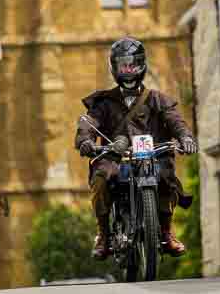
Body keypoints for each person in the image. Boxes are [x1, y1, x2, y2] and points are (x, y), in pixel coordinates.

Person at [75, 37, 197, 260]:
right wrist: (86, 140)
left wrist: (185, 137)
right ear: (115, 67)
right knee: (102, 178)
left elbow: (176, 121)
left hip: (152, 156)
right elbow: (89, 122)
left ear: (142, 65)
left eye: (133, 64)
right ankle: (103, 234)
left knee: (167, 176)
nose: (128, 69)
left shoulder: (157, 99)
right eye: (123, 65)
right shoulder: (103, 102)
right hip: (115, 157)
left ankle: (166, 232)